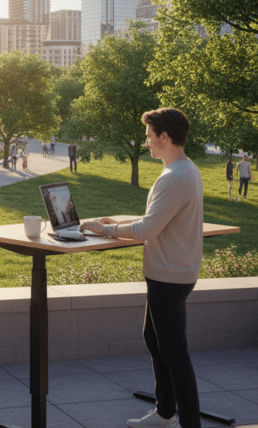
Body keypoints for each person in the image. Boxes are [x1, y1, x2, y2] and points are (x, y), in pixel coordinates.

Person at [79, 108, 203, 428]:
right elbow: (158, 221)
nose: (146, 142)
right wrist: (117, 222)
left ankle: (187, 422)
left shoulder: (175, 177)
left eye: (149, 136)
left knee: (175, 354)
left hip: (169, 276)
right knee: (154, 339)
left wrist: (102, 229)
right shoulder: (185, 170)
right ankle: (165, 413)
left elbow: (147, 230)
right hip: (173, 272)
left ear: (164, 137)